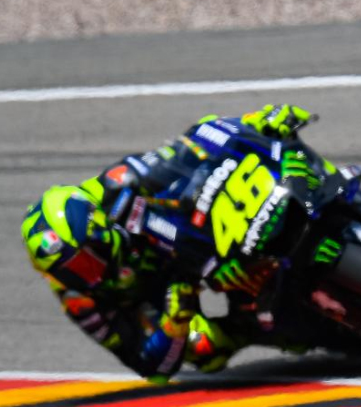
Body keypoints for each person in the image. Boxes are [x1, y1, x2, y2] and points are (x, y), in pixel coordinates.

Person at [20, 104, 326, 382]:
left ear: (96, 230)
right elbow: (149, 367)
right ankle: (265, 326)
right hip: (167, 293)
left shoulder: (117, 183)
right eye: (67, 273)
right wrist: (173, 323)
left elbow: (188, 149)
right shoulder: (78, 299)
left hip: (185, 239)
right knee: (205, 349)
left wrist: (252, 123)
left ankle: (319, 185)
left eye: (81, 263)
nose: (84, 276)